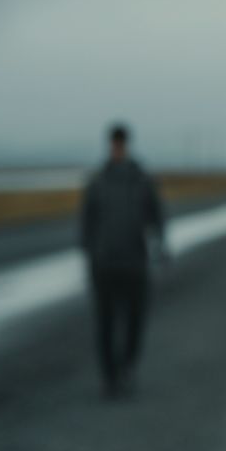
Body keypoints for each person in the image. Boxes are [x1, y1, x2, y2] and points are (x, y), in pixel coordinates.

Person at [79, 122, 168, 399]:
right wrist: (90, 255)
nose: (117, 147)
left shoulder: (141, 179)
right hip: (104, 265)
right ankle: (110, 378)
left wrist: (159, 246)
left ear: (126, 144)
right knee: (105, 324)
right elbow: (87, 223)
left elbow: (157, 216)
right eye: (114, 143)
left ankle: (127, 368)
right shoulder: (98, 181)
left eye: (121, 143)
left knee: (134, 321)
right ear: (110, 145)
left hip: (134, 263)